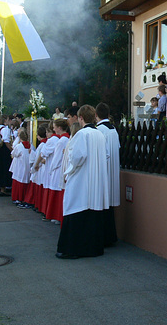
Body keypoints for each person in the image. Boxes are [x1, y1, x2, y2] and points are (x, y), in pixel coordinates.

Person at [56, 105, 109, 259]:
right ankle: (93, 249)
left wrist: (68, 171)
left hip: (81, 179)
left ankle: (73, 249)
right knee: (92, 214)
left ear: (80, 118)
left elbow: (78, 157)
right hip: (96, 180)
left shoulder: (82, 134)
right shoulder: (99, 134)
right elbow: (105, 155)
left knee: (75, 209)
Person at [95, 102, 120, 247]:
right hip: (113, 172)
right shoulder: (113, 130)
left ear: (96, 115)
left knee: (102, 206)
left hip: (103, 173)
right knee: (109, 208)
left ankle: (103, 238)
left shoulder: (99, 130)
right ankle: (111, 237)